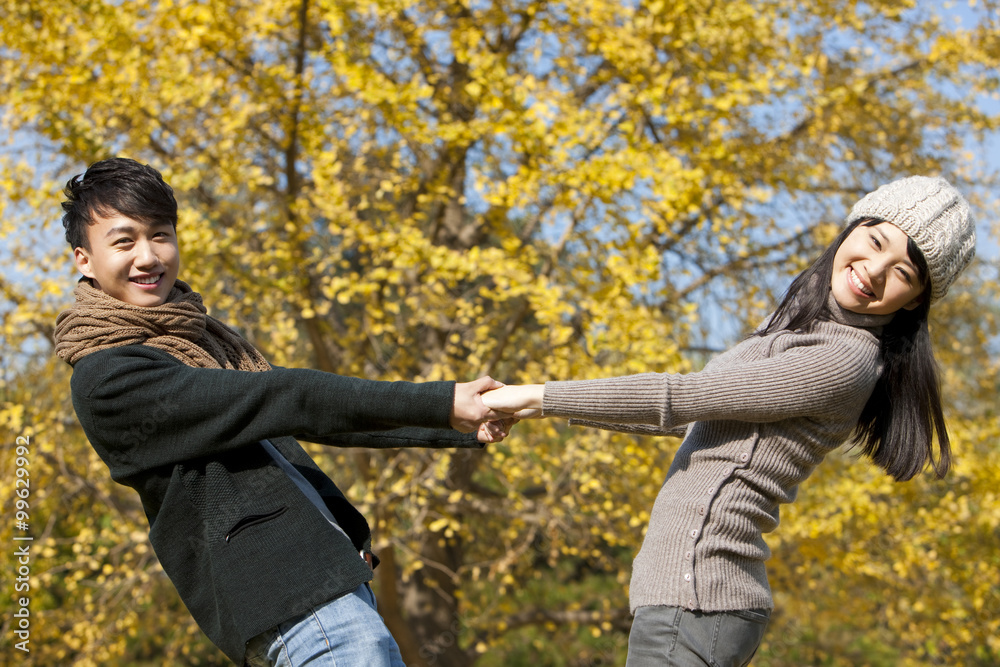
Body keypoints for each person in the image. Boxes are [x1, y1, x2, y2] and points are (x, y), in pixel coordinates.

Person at [481, 176, 976, 666]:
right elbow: (691, 415)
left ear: (913, 300)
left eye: (904, 273)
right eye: (874, 242)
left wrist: (540, 396)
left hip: (697, 598)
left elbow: (685, 395)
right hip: (691, 599)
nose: (874, 270)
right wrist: (537, 409)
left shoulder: (843, 359)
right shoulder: (801, 330)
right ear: (851, 229)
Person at [53, 157, 514, 666]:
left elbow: (314, 417)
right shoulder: (110, 378)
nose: (149, 255)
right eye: (124, 241)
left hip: (331, 588)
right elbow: (290, 399)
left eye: (161, 235)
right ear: (84, 259)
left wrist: (463, 424)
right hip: (298, 602)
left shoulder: (204, 343)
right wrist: (444, 401)